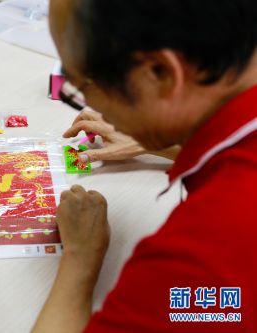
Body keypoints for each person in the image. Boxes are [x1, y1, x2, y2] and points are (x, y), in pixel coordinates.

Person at [33, 0, 257, 332]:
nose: (90, 103)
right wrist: (171, 136)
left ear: (160, 74)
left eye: (82, 87)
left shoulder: (206, 250)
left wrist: (80, 257)